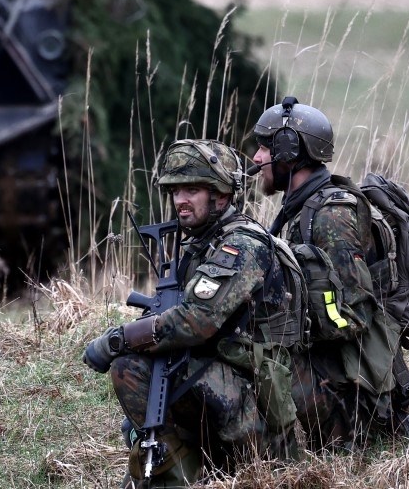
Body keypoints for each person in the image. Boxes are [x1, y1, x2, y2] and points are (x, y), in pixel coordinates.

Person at [83, 139, 302, 488]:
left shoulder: (241, 246)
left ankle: (191, 473)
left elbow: (194, 322)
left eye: (193, 189)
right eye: (176, 190)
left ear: (221, 194)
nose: (181, 200)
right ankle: (180, 465)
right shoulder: (202, 243)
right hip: (232, 387)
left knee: (130, 366)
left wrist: (119, 339)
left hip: (260, 408)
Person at [250, 96, 409, 449]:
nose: (256, 159)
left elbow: (351, 317)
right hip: (337, 371)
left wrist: (282, 322)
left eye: (264, 148)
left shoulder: (330, 216)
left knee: (253, 358)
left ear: (288, 152)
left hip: (353, 393)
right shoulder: (302, 209)